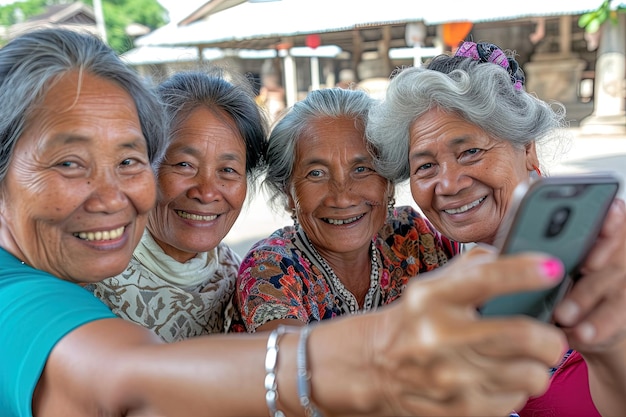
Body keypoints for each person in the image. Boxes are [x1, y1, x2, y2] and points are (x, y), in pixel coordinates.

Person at [0, 27, 573, 417]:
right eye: (69, 162)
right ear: (288, 192)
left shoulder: (413, 236)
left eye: (127, 160)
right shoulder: (19, 299)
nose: (112, 195)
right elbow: (128, 377)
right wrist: (379, 353)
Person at [366, 41, 626, 417]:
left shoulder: (608, 247)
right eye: (425, 166)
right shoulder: (431, 263)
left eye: (470, 151)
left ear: (527, 149)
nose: (450, 184)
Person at [232, 87, 459, 333]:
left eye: (362, 169)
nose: (342, 198)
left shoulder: (410, 234)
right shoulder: (271, 267)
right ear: (289, 193)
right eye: (316, 173)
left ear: (389, 184)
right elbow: (292, 363)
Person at [86, 69, 267, 340]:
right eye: (184, 165)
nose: (207, 193)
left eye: (228, 170)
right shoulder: (93, 276)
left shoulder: (239, 278)